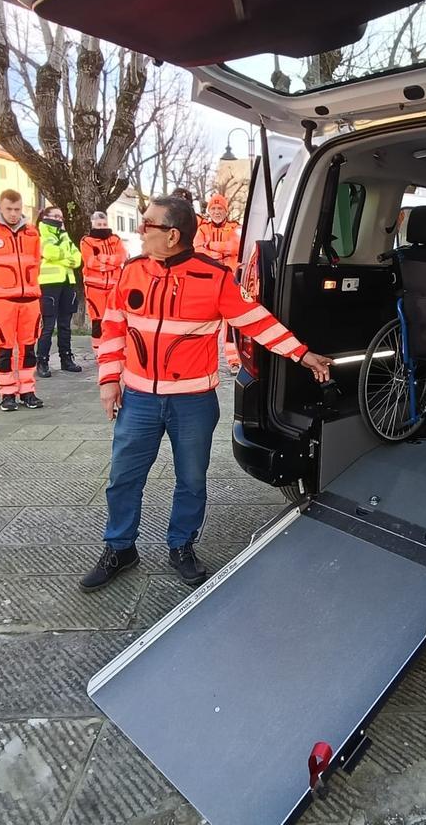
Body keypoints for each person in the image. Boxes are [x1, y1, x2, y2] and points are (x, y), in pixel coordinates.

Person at [79, 196, 332, 592]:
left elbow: (256, 322)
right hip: (140, 400)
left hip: (193, 402)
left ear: (173, 235)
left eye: (148, 225)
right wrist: (109, 381)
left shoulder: (213, 277)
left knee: (191, 479)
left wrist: (301, 354)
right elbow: (112, 328)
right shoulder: (132, 272)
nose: (141, 231)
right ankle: (120, 547)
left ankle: (181, 546)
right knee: (122, 478)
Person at [0, 189, 44, 411]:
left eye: (17, 209)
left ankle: (28, 391)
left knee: (29, 348)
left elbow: (36, 263)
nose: (13, 214)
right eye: (9, 209)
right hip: (2, 301)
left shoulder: (32, 234)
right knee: (3, 349)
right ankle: (7, 393)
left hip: (29, 301)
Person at [194, 193, 242, 372]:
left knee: (230, 324)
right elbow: (197, 251)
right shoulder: (202, 229)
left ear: (226, 210)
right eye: (213, 209)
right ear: (209, 211)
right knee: (207, 323)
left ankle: (234, 361)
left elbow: (236, 246)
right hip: (208, 283)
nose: (216, 212)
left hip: (230, 281)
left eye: (220, 208)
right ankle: (204, 361)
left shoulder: (235, 227)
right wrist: (223, 251)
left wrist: (211, 247)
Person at [36, 204, 83, 378]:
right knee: (48, 326)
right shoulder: (40, 233)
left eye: (60, 217)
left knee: (65, 325)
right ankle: (42, 361)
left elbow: (77, 258)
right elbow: (49, 252)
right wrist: (67, 257)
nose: (58, 220)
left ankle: (66, 359)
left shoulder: (64, 235)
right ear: (45, 216)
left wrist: (66, 255)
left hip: (67, 282)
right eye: (55, 216)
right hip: (49, 284)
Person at [80, 210, 127, 349]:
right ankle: (98, 352)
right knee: (98, 321)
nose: (102, 226)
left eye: (104, 223)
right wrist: (111, 263)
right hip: (95, 289)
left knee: (116, 320)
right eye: (99, 224)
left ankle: (115, 349)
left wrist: (102, 258)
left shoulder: (116, 239)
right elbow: (90, 262)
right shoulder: (86, 241)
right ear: (93, 225)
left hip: (114, 287)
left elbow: (122, 258)